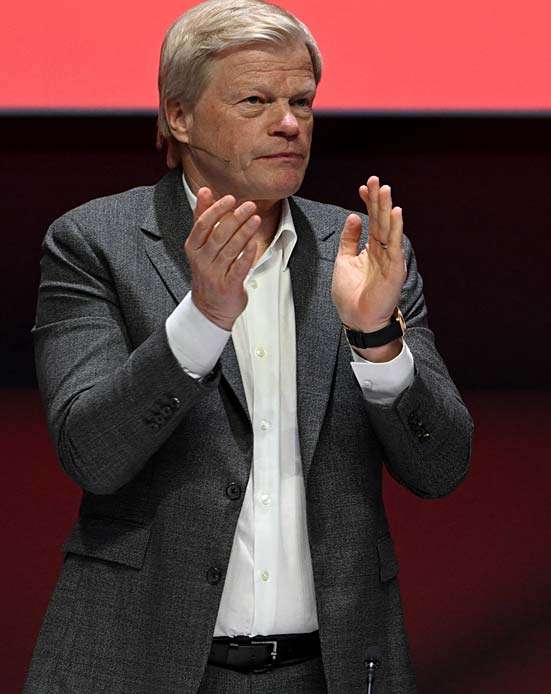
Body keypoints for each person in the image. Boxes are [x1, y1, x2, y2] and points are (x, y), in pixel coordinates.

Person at [25, 1, 473, 691]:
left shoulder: (362, 251)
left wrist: (377, 338)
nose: (290, 123)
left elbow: (440, 467)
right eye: (256, 100)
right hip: (143, 666)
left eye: (302, 100)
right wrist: (203, 317)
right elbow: (93, 454)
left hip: (330, 670)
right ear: (179, 116)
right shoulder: (95, 244)